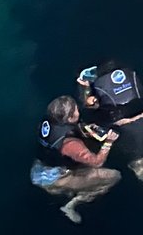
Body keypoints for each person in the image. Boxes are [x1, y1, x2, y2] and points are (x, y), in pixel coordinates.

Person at [78, 59, 143, 216]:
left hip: (130, 131)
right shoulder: (130, 75)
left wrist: (84, 88)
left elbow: (88, 104)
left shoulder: (99, 86)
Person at [30, 95, 122, 224]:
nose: (79, 110)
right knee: (114, 177)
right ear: (69, 118)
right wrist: (109, 142)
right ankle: (71, 204)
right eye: (76, 110)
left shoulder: (49, 120)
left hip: (41, 166)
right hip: (53, 178)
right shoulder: (70, 144)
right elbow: (97, 162)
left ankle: (70, 188)